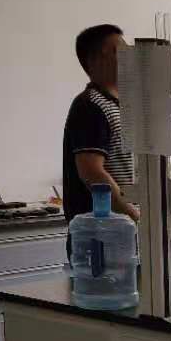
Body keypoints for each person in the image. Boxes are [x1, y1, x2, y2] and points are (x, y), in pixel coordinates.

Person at [63, 24, 138, 225]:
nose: (129, 57)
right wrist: (134, 215)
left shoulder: (122, 106)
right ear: (96, 59)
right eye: (120, 50)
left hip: (124, 229)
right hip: (101, 233)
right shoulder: (90, 105)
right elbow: (92, 172)